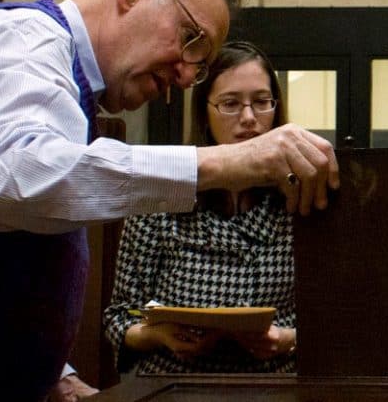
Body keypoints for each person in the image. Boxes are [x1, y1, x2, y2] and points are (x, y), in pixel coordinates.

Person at [0, 0, 338, 400]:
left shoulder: (66, 86)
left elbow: (2, 253)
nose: (184, 76)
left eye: (200, 64)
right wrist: (225, 162)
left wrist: (53, 374)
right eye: (190, 38)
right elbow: (8, 179)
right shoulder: (24, 36)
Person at [103, 41, 299, 374]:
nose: (249, 118)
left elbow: (336, 321)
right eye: (230, 104)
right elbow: (120, 317)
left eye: (261, 102)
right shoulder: (160, 199)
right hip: (174, 380)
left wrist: (287, 339)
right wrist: (158, 335)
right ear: (205, 113)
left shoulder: (299, 199)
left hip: (272, 381)